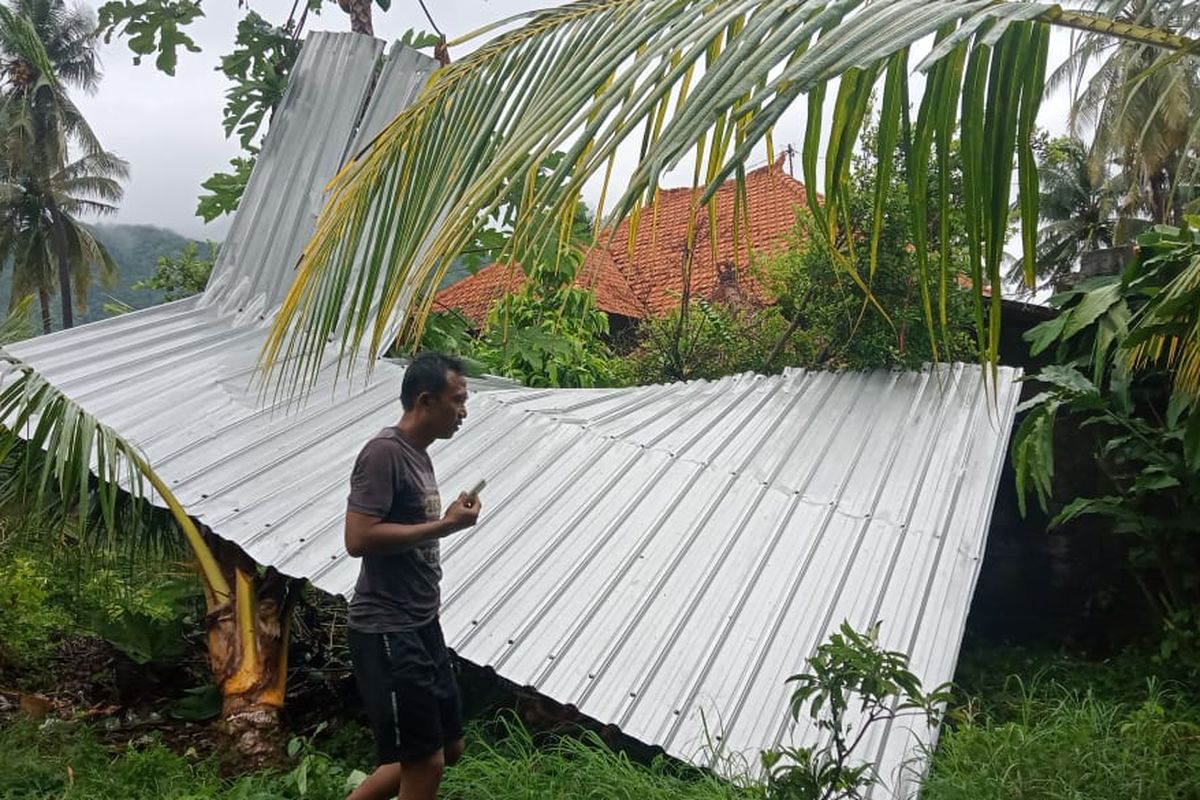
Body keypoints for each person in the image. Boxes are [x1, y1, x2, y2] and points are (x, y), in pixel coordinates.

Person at [343, 352, 481, 800]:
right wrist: (445, 525)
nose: (463, 410)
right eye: (457, 400)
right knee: (426, 764)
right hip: (387, 628)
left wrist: (446, 519)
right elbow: (358, 538)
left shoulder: (419, 456)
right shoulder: (384, 453)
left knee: (448, 746)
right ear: (426, 400)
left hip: (421, 623)